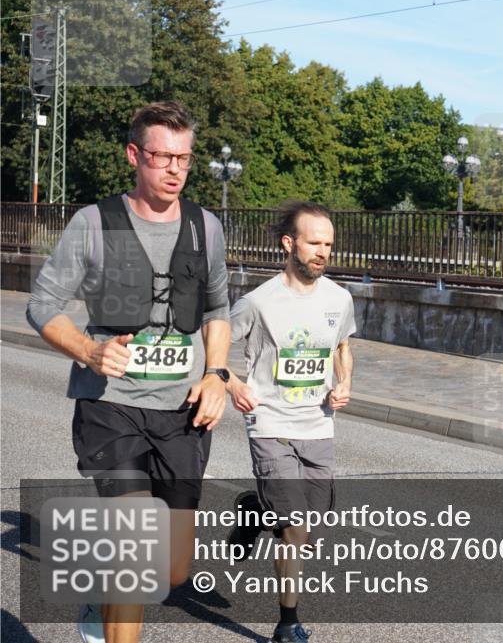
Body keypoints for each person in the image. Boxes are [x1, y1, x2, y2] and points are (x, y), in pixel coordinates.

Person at [26, 101, 231, 643]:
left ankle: (99, 591)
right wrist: (87, 352)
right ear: (134, 155)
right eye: (163, 157)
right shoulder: (93, 223)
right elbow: (42, 305)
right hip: (111, 406)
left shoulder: (205, 229)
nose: (174, 170)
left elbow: (217, 311)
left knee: (173, 570)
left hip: (181, 414)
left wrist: (218, 376)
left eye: (184, 159)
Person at [225, 200, 356, 643]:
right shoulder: (257, 302)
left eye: (329, 244)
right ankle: (288, 623)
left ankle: (254, 509)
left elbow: (342, 348)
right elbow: (213, 347)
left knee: (311, 530)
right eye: (314, 242)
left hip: (318, 425)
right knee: (294, 530)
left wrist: (345, 383)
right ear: (289, 243)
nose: (323, 251)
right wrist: (232, 385)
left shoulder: (339, 299)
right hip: (270, 424)